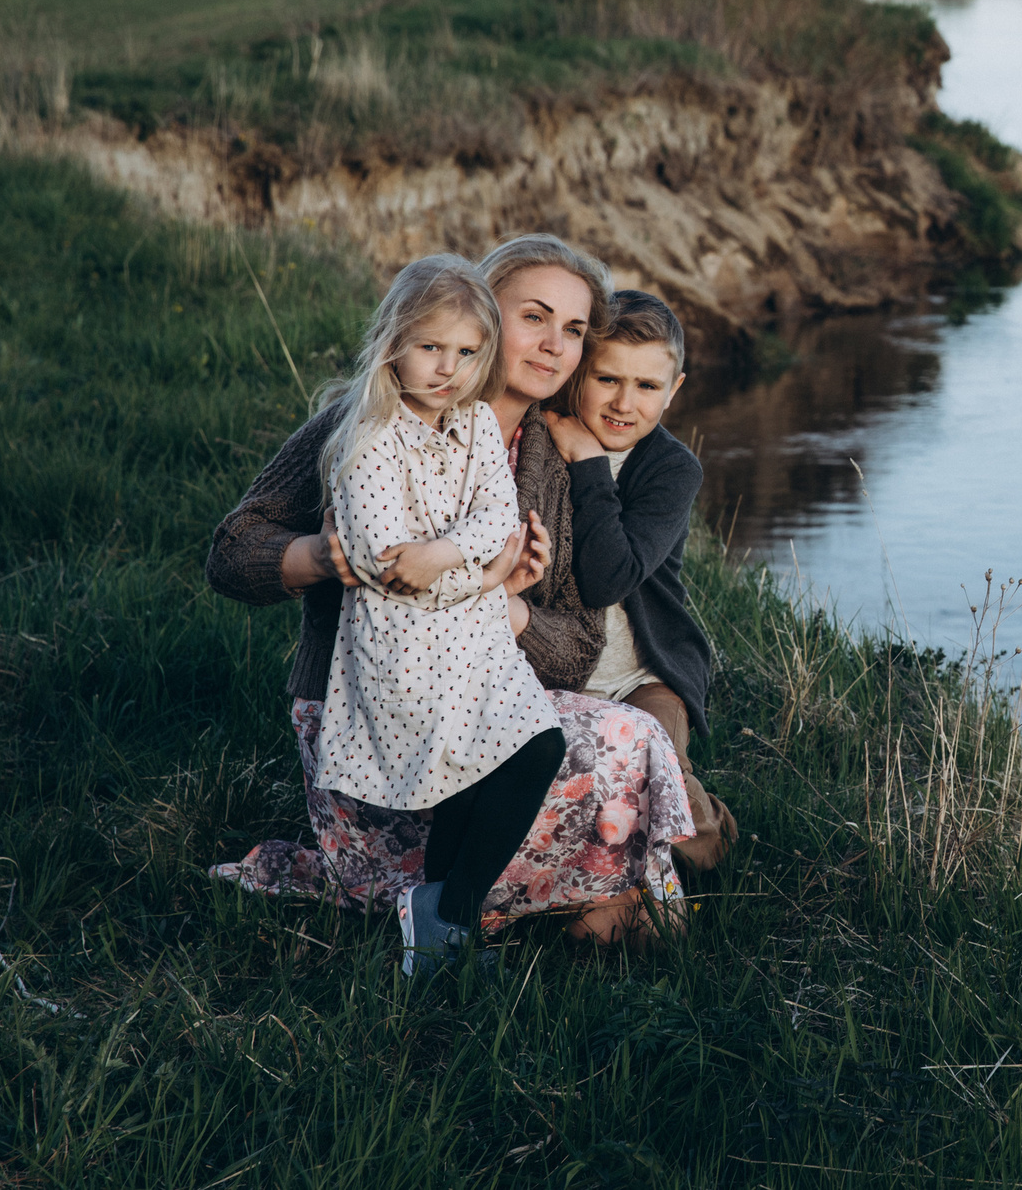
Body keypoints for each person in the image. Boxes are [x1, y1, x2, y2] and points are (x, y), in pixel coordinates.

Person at [207, 235, 700, 943]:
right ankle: (501, 899)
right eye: (534, 317)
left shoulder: (551, 457)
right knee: (577, 788)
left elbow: (577, 649)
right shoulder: (372, 416)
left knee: (629, 739)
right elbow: (230, 553)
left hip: (478, 702)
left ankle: (483, 906)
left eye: (573, 329)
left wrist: (512, 609)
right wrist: (320, 556)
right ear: (483, 311)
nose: (553, 344)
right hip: (367, 708)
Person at [308, 255, 563, 974]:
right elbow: (387, 569)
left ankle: (442, 917)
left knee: (535, 747)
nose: (448, 368)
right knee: (467, 772)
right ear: (394, 342)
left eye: (468, 351)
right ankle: (446, 933)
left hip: (478, 642)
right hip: (404, 650)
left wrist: (448, 555)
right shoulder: (368, 438)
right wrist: (485, 576)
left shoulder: (476, 421)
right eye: (431, 347)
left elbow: (499, 515)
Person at [540, 293, 733, 874]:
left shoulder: (672, 469)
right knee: (586, 793)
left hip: (644, 673)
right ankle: (602, 878)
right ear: (579, 371)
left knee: (656, 773)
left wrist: (589, 464)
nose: (625, 403)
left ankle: (713, 839)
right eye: (608, 379)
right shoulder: (543, 440)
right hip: (556, 669)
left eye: (647, 386)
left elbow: (608, 578)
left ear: (674, 390)